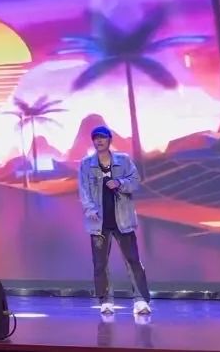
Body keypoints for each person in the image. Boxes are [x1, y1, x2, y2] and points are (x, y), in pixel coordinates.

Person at [78, 126, 151, 316]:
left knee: (133, 261)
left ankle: (141, 301)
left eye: (102, 137)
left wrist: (119, 183)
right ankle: (106, 302)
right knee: (100, 264)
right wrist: (90, 209)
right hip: (99, 223)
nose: (99, 141)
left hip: (123, 220)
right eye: (96, 138)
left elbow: (135, 181)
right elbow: (83, 190)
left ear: (109, 140)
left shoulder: (123, 160)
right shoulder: (86, 164)